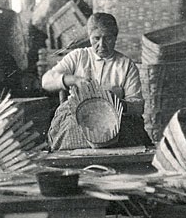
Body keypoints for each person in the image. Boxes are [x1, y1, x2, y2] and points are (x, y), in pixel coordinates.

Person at [41, 12, 150, 150]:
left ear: (115, 38)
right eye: (96, 38)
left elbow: (138, 107)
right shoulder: (79, 56)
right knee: (69, 132)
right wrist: (74, 80)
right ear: (89, 37)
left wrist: (114, 102)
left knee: (128, 136)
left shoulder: (126, 65)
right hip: (79, 117)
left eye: (108, 38)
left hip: (116, 118)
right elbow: (46, 81)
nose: (101, 44)